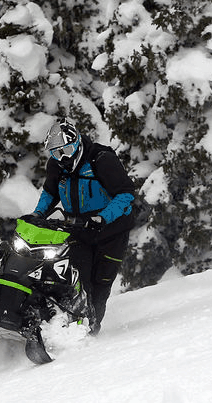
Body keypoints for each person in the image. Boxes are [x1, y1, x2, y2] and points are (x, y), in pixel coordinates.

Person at [25, 119, 136, 335]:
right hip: (79, 229)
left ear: (76, 144)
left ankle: (91, 329)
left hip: (112, 231)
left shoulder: (101, 160)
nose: (63, 158)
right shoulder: (56, 166)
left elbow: (125, 194)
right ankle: (62, 323)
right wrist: (38, 214)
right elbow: (50, 192)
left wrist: (102, 218)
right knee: (73, 278)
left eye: (66, 150)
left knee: (100, 282)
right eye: (56, 153)